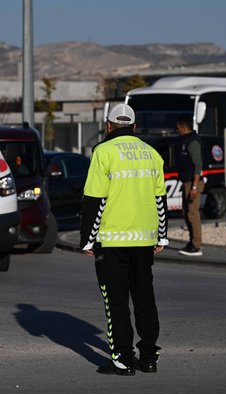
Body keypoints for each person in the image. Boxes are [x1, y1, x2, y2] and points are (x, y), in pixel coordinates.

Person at [79, 104, 168, 376]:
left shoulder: (103, 152)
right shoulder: (151, 153)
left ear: (108, 125)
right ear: (134, 126)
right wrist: (162, 235)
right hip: (144, 240)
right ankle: (149, 357)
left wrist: (87, 239)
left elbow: (94, 199)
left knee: (116, 302)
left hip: (112, 241)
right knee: (144, 298)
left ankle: (123, 359)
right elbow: (160, 198)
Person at [175, 116, 203, 256]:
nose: (177, 130)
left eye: (178, 127)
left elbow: (198, 165)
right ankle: (192, 242)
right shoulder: (184, 140)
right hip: (186, 182)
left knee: (192, 214)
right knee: (186, 213)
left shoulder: (192, 142)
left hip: (193, 183)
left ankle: (196, 245)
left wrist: (194, 187)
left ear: (183, 126)